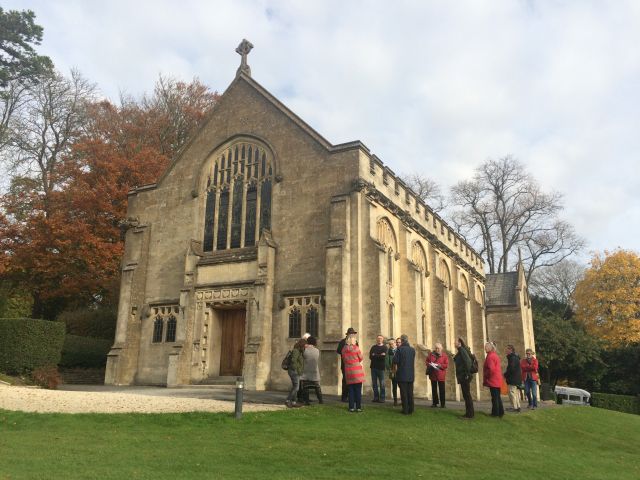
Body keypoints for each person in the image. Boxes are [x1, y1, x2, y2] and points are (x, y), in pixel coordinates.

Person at [342, 333, 365, 412]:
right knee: (358, 390)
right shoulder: (356, 348)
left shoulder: (344, 349)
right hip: (357, 371)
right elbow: (361, 358)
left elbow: (344, 359)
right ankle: (358, 407)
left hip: (348, 371)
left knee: (351, 390)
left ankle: (351, 407)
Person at [393, 334, 416, 415]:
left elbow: (395, 360)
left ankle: (405, 410)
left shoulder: (399, 349)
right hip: (410, 374)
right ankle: (411, 409)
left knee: (404, 393)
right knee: (410, 392)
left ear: (402, 341)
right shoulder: (412, 350)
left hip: (402, 374)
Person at [454, 337, 474, 419]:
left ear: (459, 343)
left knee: (467, 395)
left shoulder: (462, 350)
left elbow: (468, 362)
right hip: (463, 375)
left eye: (455, 342)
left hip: (465, 376)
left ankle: (470, 414)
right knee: (466, 395)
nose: (454, 343)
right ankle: (469, 413)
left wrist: (466, 374)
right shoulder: (461, 350)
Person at [483, 342, 504, 418]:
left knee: (495, 397)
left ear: (490, 348)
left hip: (493, 379)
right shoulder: (494, 355)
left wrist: (487, 376)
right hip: (497, 379)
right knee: (497, 397)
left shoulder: (490, 356)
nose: (485, 348)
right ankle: (500, 412)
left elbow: (491, 369)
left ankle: (495, 413)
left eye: (486, 347)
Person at [301, 336, 323, 405]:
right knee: (317, 387)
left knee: (305, 387)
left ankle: (307, 401)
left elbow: (303, 357)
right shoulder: (317, 351)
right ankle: (320, 400)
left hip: (306, 371)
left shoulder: (305, 350)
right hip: (314, 371)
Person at [337, 327, 357, 402]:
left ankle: (351, 396)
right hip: (345, 364)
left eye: (353, 334)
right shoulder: (342, 342)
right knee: (345, 380)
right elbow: (338, 351)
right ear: (348, 334)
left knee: (353, 380)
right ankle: (344, 396)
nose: (352, 335)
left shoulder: (355, 342)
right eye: (351, 334)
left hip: (353, 365)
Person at [426, 342, 448, 408]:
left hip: (441, 375)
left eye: (438, 348)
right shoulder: (431, 354)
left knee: (442, 390)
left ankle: (443, 404)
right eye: (436, 348)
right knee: (434, 390)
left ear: (441, 349)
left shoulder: (444, 356)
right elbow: (427, 361)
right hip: (433, 375)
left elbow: (446, 365)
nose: (437, 349)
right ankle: (434, 403)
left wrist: (440, 365)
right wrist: (430, 364)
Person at [285, 338, 306, 408]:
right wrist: (297, 369)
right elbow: (293, 361)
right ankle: (288, 400)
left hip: (295, 371)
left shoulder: (299, 351)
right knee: (296, 388)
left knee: (295, 387)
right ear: (302, 345)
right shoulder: (296, 351)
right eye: (305, 345)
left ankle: (294, 402)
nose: (305, 347)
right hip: (294, 371)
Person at [369, 334, 387, 403]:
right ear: (377, 339)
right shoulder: (373, 347)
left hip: (381, 368)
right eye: (378, 338)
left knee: (382, 383)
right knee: (374, 383)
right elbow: (370, 357)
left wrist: (375, 355)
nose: (379, 339)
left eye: (381, 338)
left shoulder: (385, 348)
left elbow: (384, 357)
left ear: (382, 340)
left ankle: (382, 398)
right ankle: (376, 397)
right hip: (373, 367)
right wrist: (380, 355)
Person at [504, 344, 522, 412]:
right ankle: (517, 406)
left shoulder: (512, 358)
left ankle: (514, 407)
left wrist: (505, 375)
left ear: (510, 350)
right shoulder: (514, 357)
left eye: (507, 349)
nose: (506, 350)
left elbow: (511, 369)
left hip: (513, 378)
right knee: (515, 393)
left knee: (512, 392)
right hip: (516, 378)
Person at [384, 338, 398, 406]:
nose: (391, 345)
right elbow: (386, 362)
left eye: (392, 344)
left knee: (401, 386)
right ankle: (395, 400)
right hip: (392, 371)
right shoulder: (388, 352)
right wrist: (390, 369)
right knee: (394, 386)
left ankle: (403, 400)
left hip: (400, 371)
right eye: (389, 344)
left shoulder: (399, 350)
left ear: (395, 343)